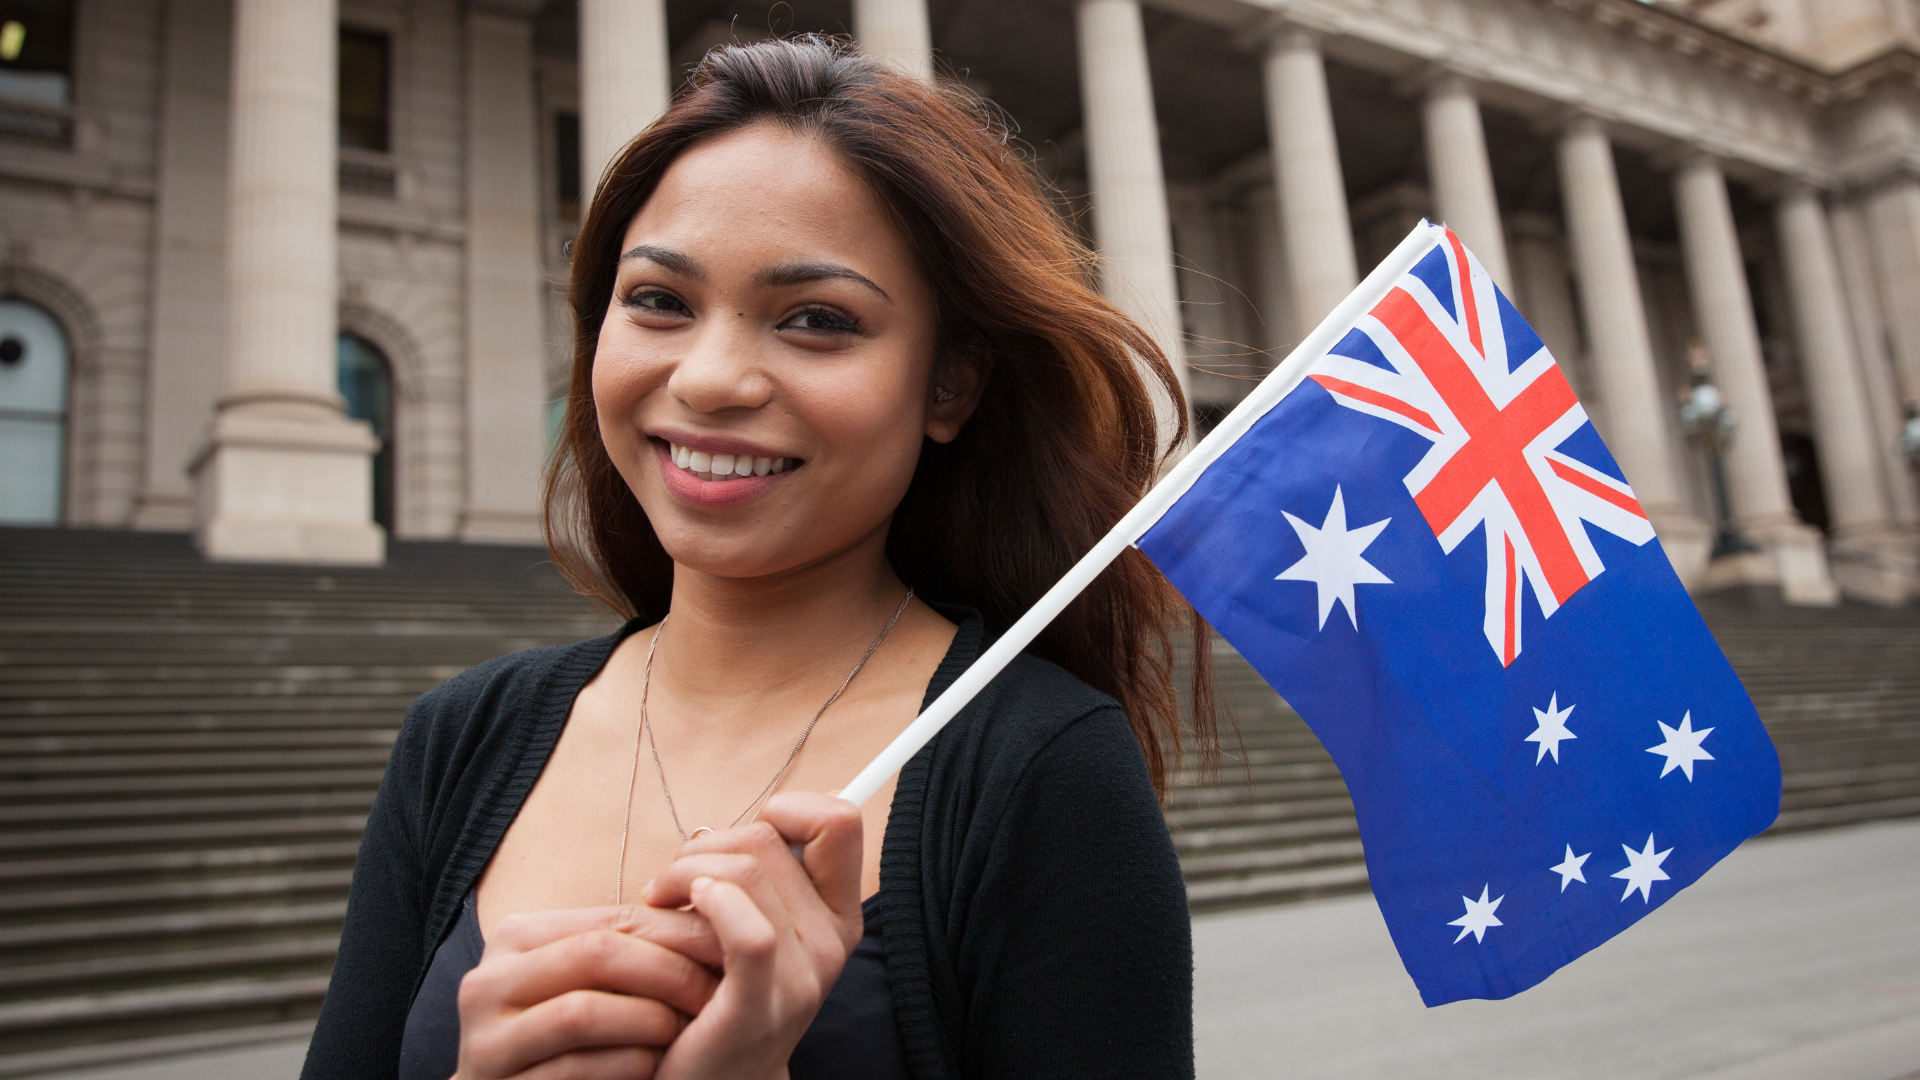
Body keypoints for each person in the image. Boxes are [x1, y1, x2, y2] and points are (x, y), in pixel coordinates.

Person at [300, 35, 1215, 1080]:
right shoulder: (459, 739)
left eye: (817, 320)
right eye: (659, 302)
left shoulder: (1042, 767)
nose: (712, 378)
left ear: (951, 387)